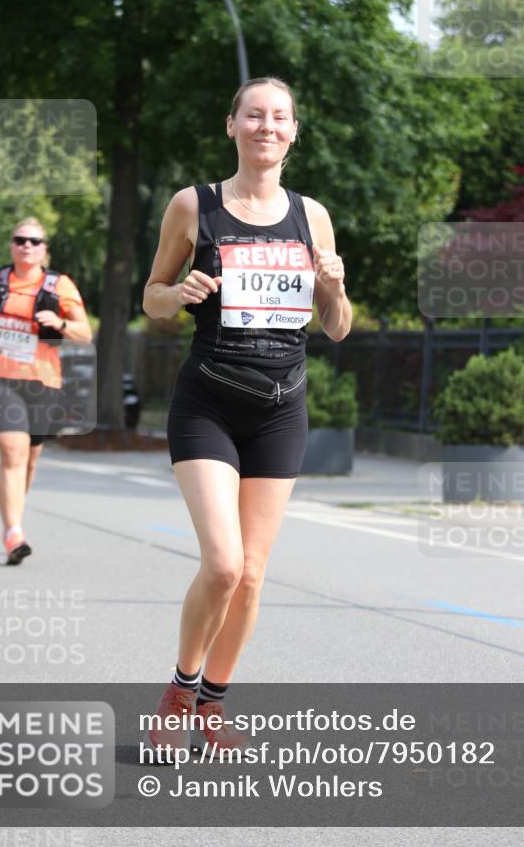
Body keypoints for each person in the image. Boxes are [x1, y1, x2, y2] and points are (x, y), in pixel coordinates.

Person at [143, 77, 352, 759]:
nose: (267, 126)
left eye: (280, 117)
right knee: (225, 564)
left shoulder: (311, 215)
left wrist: (334, 287)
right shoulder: (193, 206)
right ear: (231, 124)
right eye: (254, 115)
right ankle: (178, 693)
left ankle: (213, 703)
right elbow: (151, 300)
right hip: (207, 401)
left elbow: (337, 328)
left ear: (294, 132)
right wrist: (180, 291)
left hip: (280, 407)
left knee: (255, 572)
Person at [0, 217, 92, 565]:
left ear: (44, 249)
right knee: (13, 450)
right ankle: (13, 533)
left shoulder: (59, 285)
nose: (27, 246)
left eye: (35, 241)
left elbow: (85, 332)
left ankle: (14, 515)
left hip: (43, 380)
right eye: (21, 240)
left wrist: (62, 324)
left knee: (30, 457)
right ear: (12, 245)